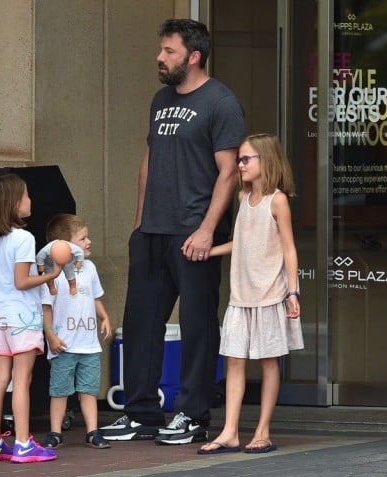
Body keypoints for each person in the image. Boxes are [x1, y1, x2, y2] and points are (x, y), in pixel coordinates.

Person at [99, 18, 245, 445]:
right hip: (153, 231)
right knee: (142, 323)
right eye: (162, 51)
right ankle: (141, 411)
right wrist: (139, 220)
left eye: (169, 51)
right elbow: (149, 157)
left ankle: (193, 415)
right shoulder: (161, 99)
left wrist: (206, 230)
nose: (160, 58)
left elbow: (228, 174)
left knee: (198, 325)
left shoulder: (222, 103)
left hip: (195, 234)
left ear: (193, 56)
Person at [198, 133, 304, 455]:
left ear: (266, 161)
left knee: (268, 362)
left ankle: (263, 429)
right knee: (234, 361)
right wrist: (210, 250)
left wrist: (293, 292)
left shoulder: (278, 200)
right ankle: (230, 431)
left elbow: (289, 249)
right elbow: (243, 242)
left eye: (246, 159)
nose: (240, 164)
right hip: (241, 296)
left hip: (270, 294)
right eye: (239, 159)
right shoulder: (244, 198)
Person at [0, 173, 60, 464]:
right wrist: (51, 274)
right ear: (15, 204)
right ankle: (23, 443)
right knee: (21, 380)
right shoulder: (24, 238)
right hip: (22, 317)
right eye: (26, 195)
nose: (31, 200)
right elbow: (21, 281)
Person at [39, 214, 113, 449]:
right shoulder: (52, 273)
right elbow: (46, 308)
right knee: (59, 391)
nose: (88, 241)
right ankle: (55, 432)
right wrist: (50, 335)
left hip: (89, 345)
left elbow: (94, 297)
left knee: (89, 390)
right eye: (83, 238)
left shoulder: (90, 268)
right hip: (65, 344)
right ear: (64, 246)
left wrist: (105, 316)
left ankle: (93, 431)